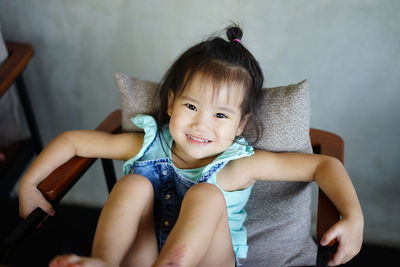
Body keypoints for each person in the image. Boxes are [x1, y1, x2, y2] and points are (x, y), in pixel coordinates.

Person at [18, 25, 363, 267]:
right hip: (141, 258)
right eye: (191, 107)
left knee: (206, 195)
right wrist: (29, 184)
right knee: (134, 184)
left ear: (240, 125)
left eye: (221, 115)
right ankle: (103, 262)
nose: (201, 124)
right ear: (170, 104)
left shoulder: (239, 165)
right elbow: (74, 141)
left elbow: (323, 165)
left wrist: (353, 216)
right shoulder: (147, 145)